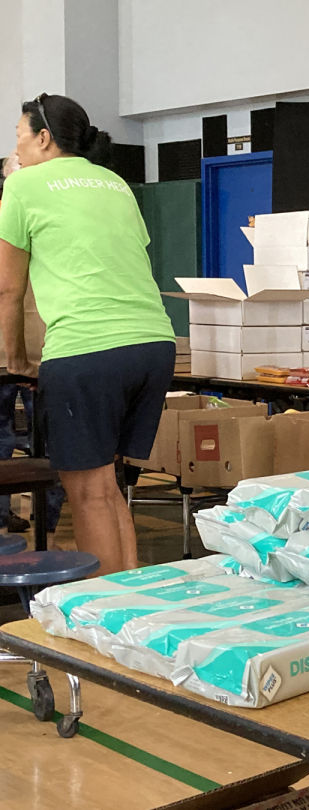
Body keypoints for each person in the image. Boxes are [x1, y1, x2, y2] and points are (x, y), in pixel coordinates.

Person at [0, 93, 175, 573]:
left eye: (18, 138)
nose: (15, 151)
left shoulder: (25, 184)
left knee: (87, 492)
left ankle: (104, 608)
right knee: (107, 483)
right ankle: (130, 598)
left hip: (87, 348)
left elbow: (7, 288)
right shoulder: (116, 183)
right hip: (153, 343)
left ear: (43, 137)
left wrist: (14, 359)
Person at [0, 148, 65, 537]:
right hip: (21, 354)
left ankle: (49, 523)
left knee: (51, 441)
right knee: (5, 439)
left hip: (46, 350)